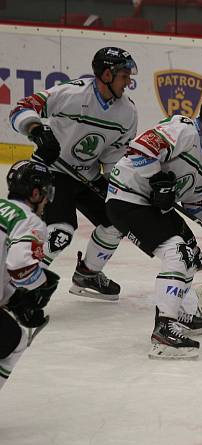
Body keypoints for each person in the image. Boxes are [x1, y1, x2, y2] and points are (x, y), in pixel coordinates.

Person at [105, 95, 202, 360]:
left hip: (151, 206)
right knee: (177, 252)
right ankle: (163, 330)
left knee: (191, 251)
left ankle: (179, 310)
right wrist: (158, 180)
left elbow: (198, 201)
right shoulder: (182, 130)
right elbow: (139, 149)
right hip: (126, 198)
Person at [8, 47, 138, 301]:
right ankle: (18, 287)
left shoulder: (128, 112)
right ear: (107, 75)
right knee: (60, 233)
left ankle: (88, 274)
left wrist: (117, 184)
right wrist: (36, 130)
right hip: (52, 172)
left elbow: (113, 157)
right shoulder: (71, 94)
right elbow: (21, 108)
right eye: (124, 75)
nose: (129, 81)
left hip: (87, 176)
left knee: (117, 221)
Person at [1, 161, 60, 391]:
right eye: (46, 193)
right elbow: (20, 266)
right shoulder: (28, 220)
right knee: (15, 340)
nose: (47, 200)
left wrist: (12, 298)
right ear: (35, 193)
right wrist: (40, 284)